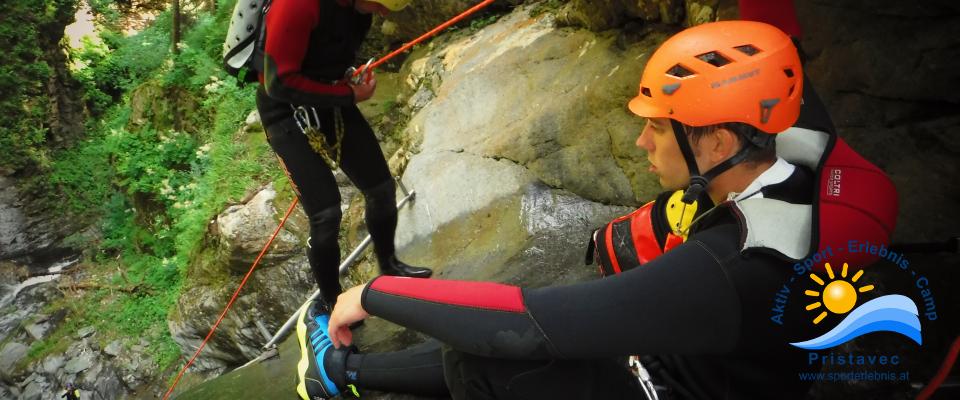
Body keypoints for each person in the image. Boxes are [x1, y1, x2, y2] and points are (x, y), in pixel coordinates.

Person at [277, 19, 838, 400]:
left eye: (657, 126)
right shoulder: (792, 163)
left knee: (488, 362)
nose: (643, 142)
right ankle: (341, 374)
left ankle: (339, 374)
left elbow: (528, 323)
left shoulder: (733, 264)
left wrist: (375, 294)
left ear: (716, 142)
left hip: (671, 382)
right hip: (710, 364)